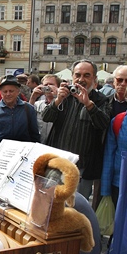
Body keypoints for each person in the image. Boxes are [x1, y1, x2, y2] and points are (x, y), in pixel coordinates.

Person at [42, 59, 110, 200]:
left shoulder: (101, 100)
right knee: (51, 202)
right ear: (72, 76)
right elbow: (46, 117)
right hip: (57, 163)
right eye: (77, 75)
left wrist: (88, 104)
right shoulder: (65, 96)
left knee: (76, 206)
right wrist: (57, 100)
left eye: (86, 75)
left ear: (94, 79)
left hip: (83, 167)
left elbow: (103, 124)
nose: (81, 79)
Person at [0, 75, 40, 162]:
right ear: (0, 93)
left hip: (22, 156)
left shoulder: (28, 108)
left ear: (18, 91)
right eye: (5, 91)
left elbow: (34, 134)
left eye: (11, 91)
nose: (8, 94)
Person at [29, 74, 60, 144]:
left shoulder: (63, 104)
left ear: (58, 87)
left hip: (56, 144)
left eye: (51, 84)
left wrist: (57, 95)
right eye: (45, 85)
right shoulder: (38, 104)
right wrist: (33, 97)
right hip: (40, 143)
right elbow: (27, 117)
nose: (48, 87)